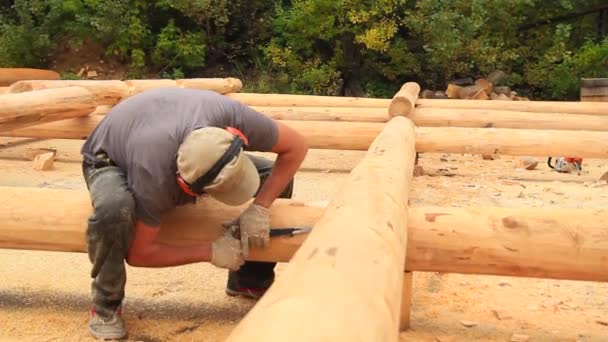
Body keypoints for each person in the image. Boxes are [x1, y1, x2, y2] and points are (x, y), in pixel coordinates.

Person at [80, 87, 308, 340]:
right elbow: (139, 253)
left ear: (235, 138)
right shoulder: (154, 176)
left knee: (275, 179)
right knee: (114, 208)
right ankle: (105, 306)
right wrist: (210, 251)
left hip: (165, 125)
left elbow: (297, 147)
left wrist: (260, 207)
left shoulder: (233, 116)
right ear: (184, 185)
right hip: (110, 155)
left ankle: (249, 278)